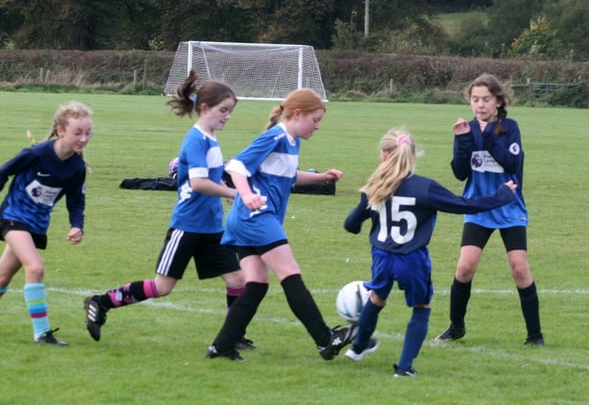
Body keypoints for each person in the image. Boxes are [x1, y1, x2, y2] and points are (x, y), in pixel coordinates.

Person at [84, 71, 254, 350]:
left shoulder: (211, 139)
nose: (228, 116)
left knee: (237, 279)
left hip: (212, 227)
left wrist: (224, 189)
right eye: (224, 110)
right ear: (204, 108)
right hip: (187, 226)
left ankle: (232, 335)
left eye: (230, 111)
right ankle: (101, 302)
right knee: (162, 287)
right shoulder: (195, 139)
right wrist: (234, 193)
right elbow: (198, 183)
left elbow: (210, 177)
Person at [343, 129, 518, 377]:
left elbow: (350, 225)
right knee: (422, 306)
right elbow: (464, 205)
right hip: (412, 258)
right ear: (413, 156)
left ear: (383, 155)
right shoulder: (424, 188)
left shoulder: (374, 186)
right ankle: (404, 368)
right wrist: (501, 195)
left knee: (377, 297)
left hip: (381, 256)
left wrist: (364, 214)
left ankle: (358, 348)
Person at [205, 88, 356, 362]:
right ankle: (325, 338)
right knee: (290, 273)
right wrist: (248, 194)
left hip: (246, 221)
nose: (317, 127)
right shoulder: (275, 135)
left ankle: (221, 345)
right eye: (316, 119)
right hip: (258, 218)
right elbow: (237, 166)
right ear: (297, 114)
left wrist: (322, 177)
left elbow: (287, 177)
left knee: (257, 284)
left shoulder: (291, 140)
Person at [435, 73, 544, 346]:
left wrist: (487, 135)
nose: (480, 105)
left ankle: (535, 335)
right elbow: (460, 173)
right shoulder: (467, 128)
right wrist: (462, 141)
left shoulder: (510, 128)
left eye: (486, 99)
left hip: (509, 206)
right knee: (465, 268)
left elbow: (511, 164)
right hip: (478, 207)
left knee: (519, 268)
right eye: (475, 99)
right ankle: (456, 326)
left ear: (497, 101)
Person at [0, 101, 93, 346]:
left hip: (36, 226)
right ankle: (42, 333)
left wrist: (77, 225)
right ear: (61, 131)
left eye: (87, 133)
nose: (83, 138)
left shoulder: (76, 167)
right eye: (77, 133)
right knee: (35, 268)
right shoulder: (36, 154)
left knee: (2, 278)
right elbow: (3, 172)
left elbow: (76, 202)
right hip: (12, 217)